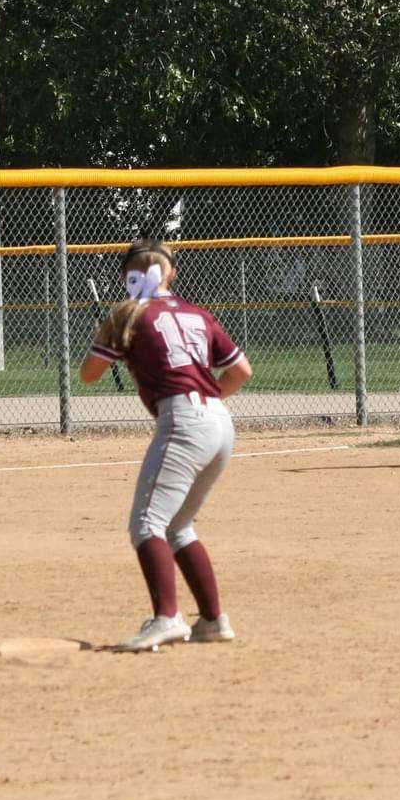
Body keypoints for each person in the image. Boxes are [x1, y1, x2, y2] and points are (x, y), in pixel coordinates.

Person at [80, 237, 253, 649]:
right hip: (219, 420)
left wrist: (117, 328)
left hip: (183, 420)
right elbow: (241, 371)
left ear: (128, 277)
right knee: (178, 526)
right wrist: (204, 402)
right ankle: (212, 621)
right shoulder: (198, 312)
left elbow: (89, 373)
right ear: (171, 273)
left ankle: (167, 618)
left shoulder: (128, 313)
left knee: (147, 524)